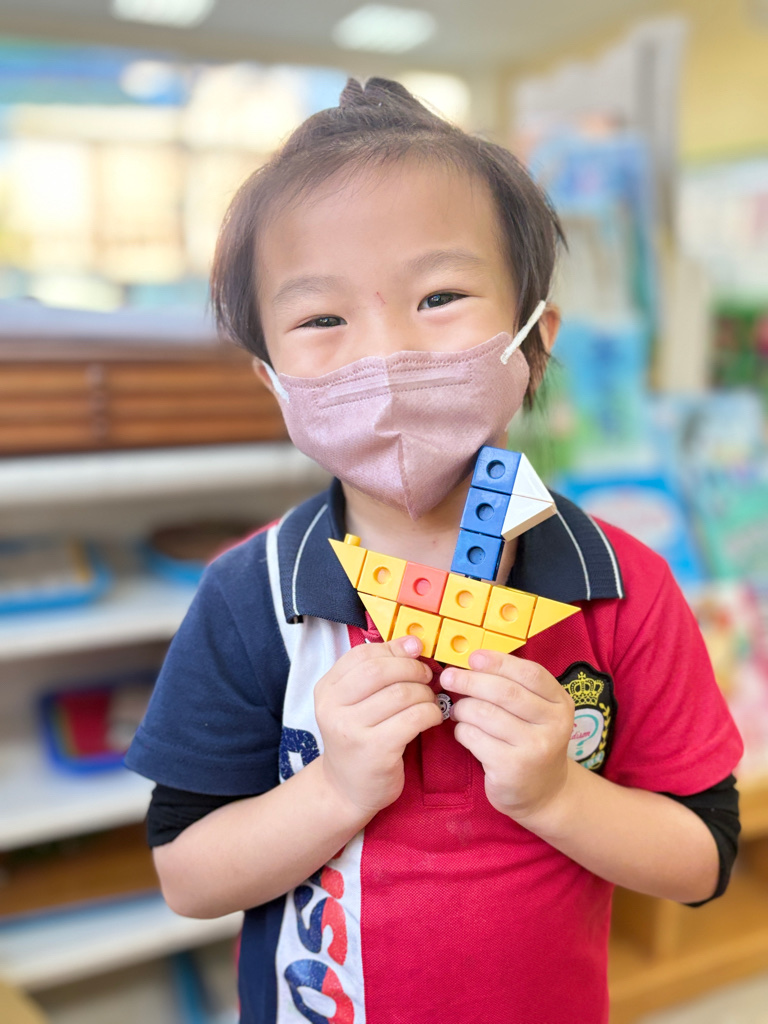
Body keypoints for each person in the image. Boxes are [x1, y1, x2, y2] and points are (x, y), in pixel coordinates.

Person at [126, 78, 743, 1024]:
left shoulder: (624, 585)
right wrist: (335, 788)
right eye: (321, 319)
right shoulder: (251, 594)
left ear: (535, 343)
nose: (386, 356)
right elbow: (187, 875)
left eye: (440, 296)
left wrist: (557, 795)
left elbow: (703, 859)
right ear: (273, 379)